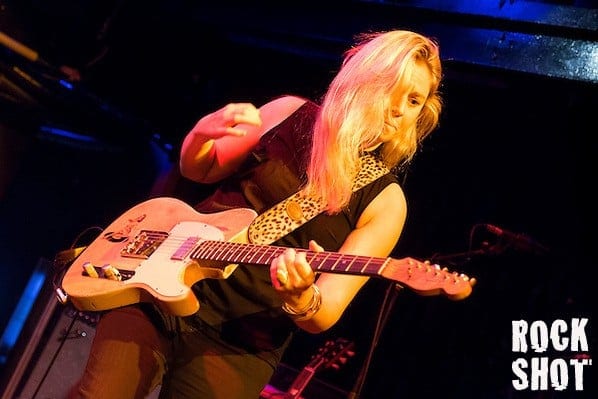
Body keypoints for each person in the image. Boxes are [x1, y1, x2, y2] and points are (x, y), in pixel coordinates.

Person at [69, 29, 447, 398]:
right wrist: (201, 135)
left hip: (240, 347)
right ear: (361, 79)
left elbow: (326, 311)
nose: (398, 110)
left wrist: (301, 297)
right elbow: (199, 170)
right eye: (390, 89)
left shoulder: (386, 202)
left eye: (414, 100)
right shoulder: (288, 112)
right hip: (155, 291)